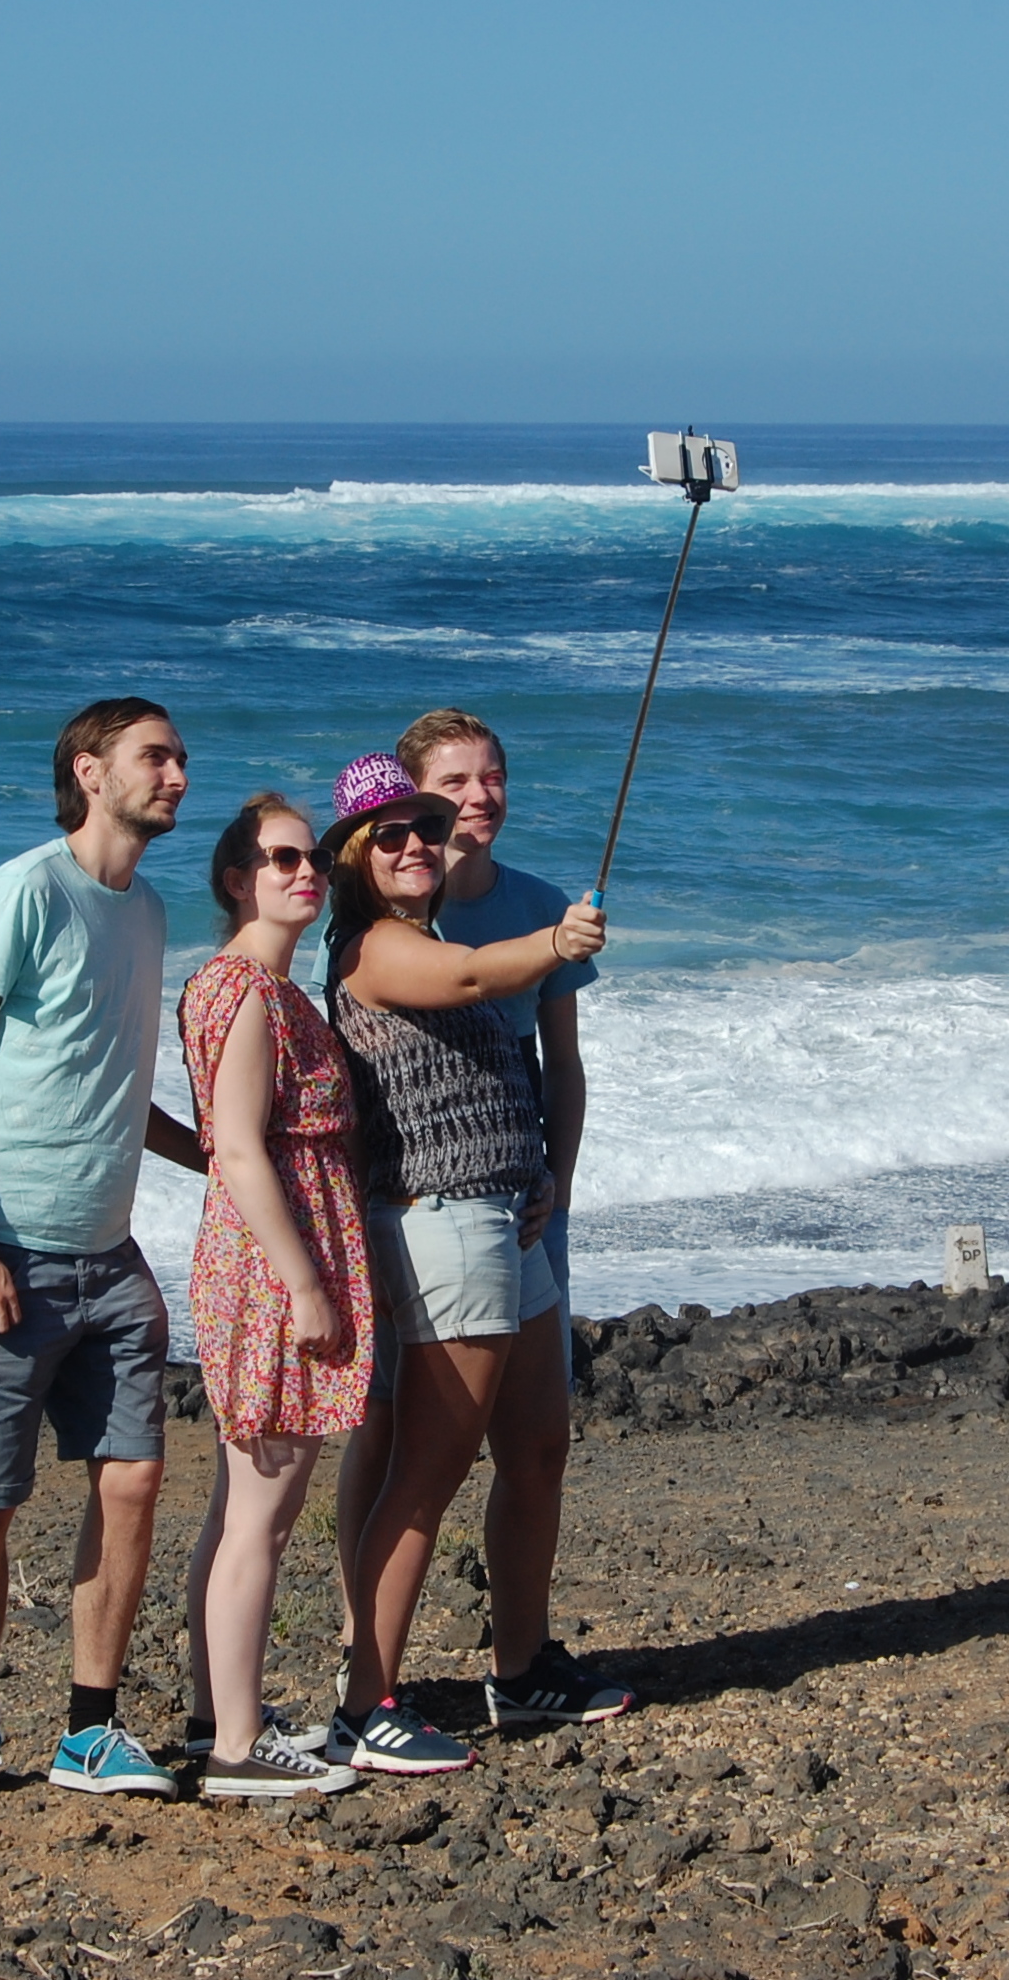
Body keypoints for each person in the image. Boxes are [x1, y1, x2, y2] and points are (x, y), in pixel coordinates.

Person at [0, 697, 205, 1805]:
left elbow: (115, 1090)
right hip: (4, 1251)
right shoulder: (28, 888)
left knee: (132, 1475)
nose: (177, 773)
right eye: (155, 756)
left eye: (179, 757)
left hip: (108, 1255)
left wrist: (222, 1161)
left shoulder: (149, 911)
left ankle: (90, 1725)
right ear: (90, 771)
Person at [318, 751, 606, 1773]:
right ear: (354, 855)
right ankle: (366, 1703)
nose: (412, 845)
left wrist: (539, 1172)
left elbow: (505, 1058)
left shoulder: (424, 931)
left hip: (504, 1218)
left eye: (424, 831)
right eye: (388, 834)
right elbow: (479, 976)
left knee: (536, 1442)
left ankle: (522, 1672)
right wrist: (556, 940)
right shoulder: (372, 948)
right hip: (442, 1227)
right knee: (425, 1470)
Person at [394, 709, 639, 1730]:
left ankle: (522, 1660)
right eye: (456, 779)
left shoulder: (540, 902)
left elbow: (561, 1064)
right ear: (412, 796)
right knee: (412, 1451)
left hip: (527, 1206)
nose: (479, 794)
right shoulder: (393, 912)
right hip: (423, 1210)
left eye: (492, 775)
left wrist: (561, 1179)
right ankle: (368, 1680)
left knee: (537, 1442)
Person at [173, 794, 372, 1798]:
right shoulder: (243, 989)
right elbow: (241, 1146)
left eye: (314, 860)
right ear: (235, 878)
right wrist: (303, 1281)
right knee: (265, 1505)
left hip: (269, 1251)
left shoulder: (264, 988)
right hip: (268, 1264)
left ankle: (221, 1707)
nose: (308, 872)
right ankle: (238, 1748)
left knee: (240, 1500)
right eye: (284, 858)